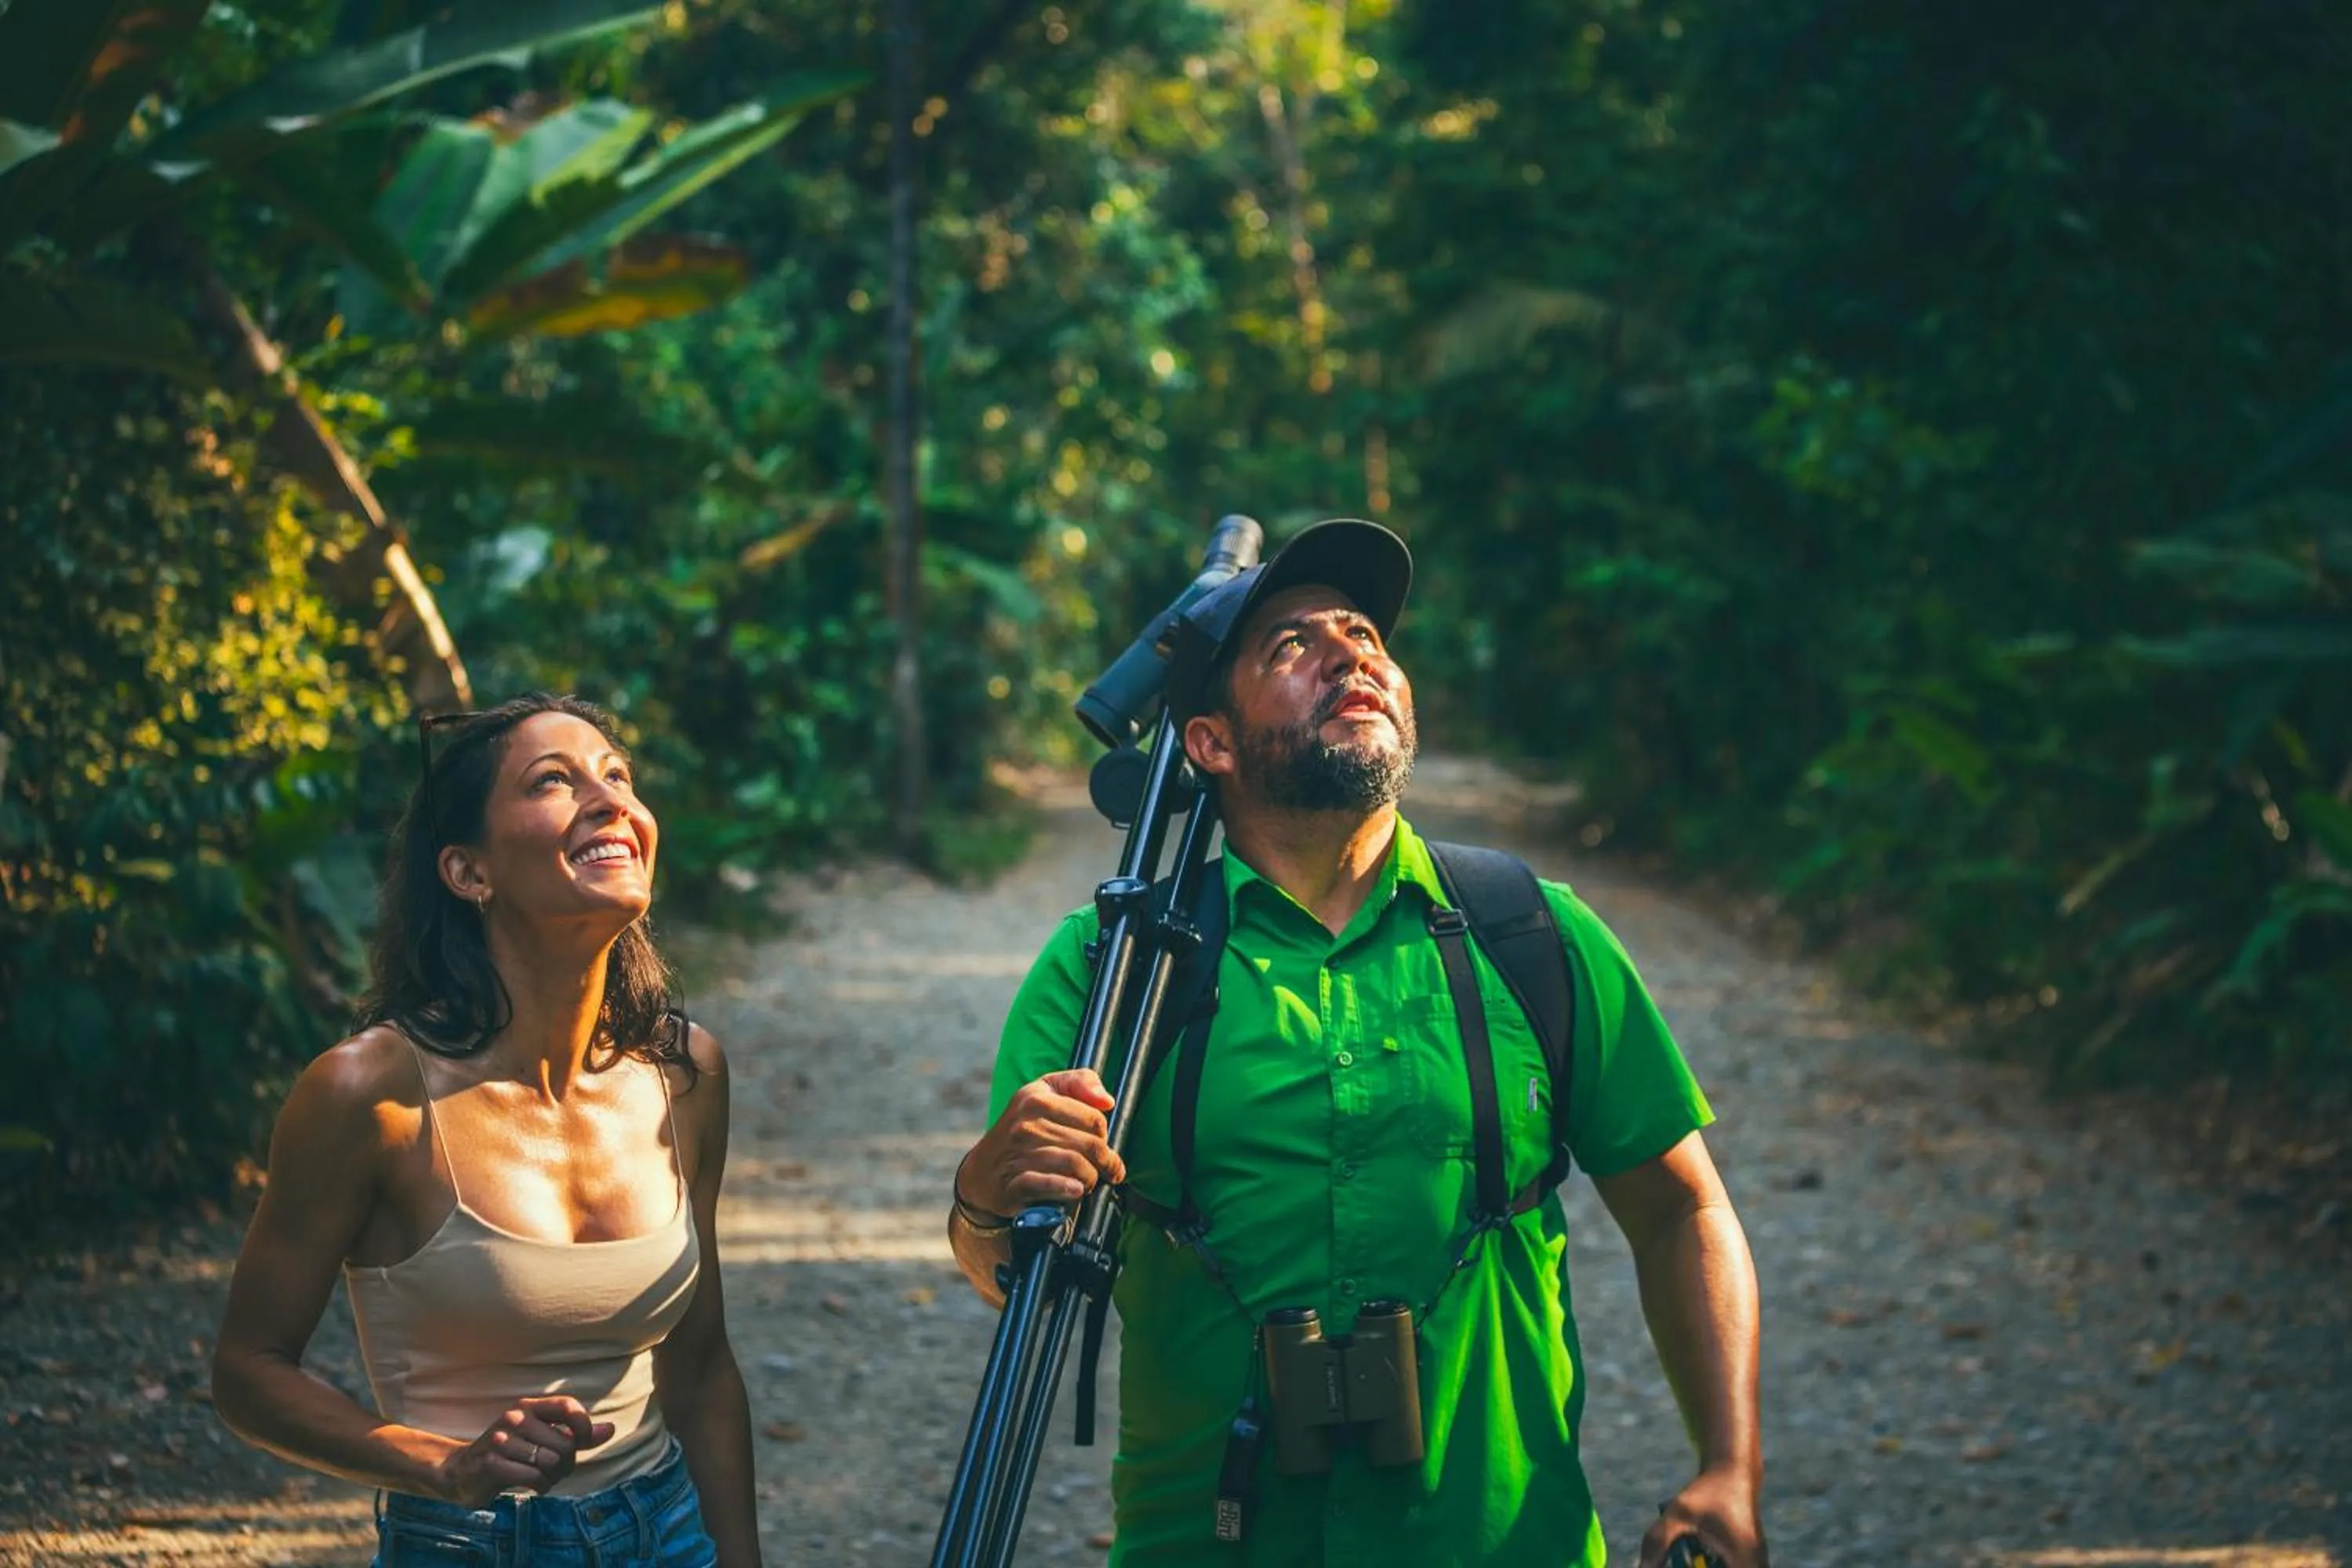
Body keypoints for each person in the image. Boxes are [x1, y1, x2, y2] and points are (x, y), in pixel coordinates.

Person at [949, 521, 1767, 1568]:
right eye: (1293, 645)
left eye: (1366, 633)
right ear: (1211, 743)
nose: (1351, 653)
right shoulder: (1116, 969)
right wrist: (986, 1190)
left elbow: (1681, 1208)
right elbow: (1006, 1270)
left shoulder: (1531, 932)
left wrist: (1730, 1468)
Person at [212, 692, 760, 1566]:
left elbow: (699, 1368)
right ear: (469, 871)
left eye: (618, 776)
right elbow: (249, 1369)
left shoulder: (684, 1073)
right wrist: (445, 1464)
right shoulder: (370, 1095)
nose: (610, 799)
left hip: (666, 1528)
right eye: (554, 780)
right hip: (469, 1544)